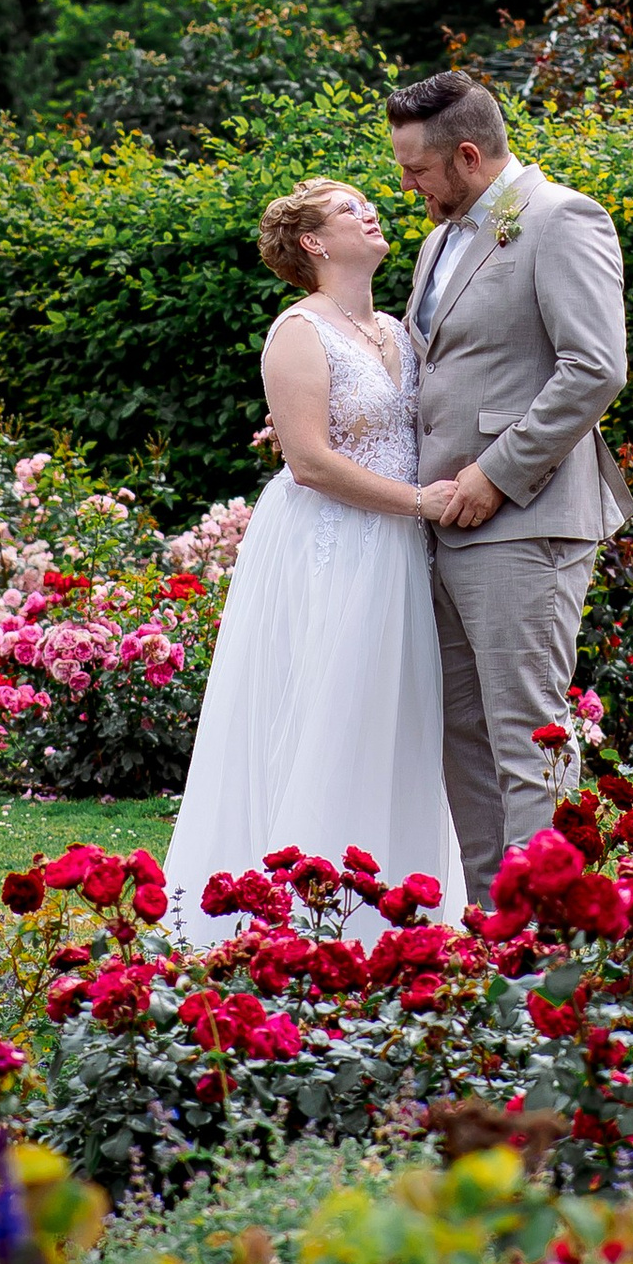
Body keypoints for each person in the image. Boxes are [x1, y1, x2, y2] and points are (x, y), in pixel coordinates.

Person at [168, 178, 466, 944]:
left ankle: (399, 911)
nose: (370, 210)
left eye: (367, 202)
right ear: (314, 243)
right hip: (330, 547)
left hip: (399, 548)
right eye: (347, 208)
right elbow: (308, 462)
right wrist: (419, 504)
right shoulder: (298, 333)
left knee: (396, 717)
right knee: (329, 713)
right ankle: (305, 921)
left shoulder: (400, 331)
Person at [387, 66, 633, 900]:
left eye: (417, 170)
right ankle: (498, 936)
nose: (408, 186)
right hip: (442, 524)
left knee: (527, 740)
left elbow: (594, 367)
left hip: (524, 520)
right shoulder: (438, 238)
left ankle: (557, 932)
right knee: (465, 736)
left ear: (466, 154)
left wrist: (494, 476)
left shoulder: (562, 220)